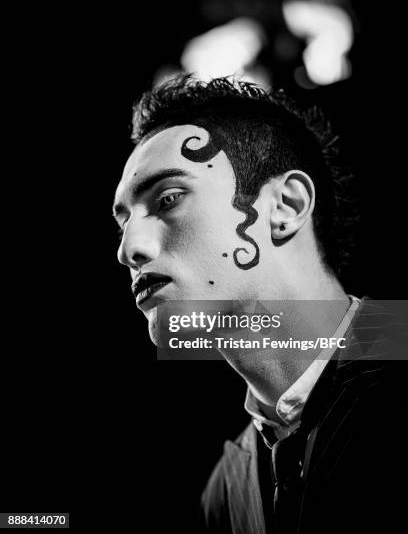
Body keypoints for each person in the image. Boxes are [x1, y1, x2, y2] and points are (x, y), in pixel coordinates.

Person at [113, 75, 406, 534]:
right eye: (123, 223)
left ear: (285, 206)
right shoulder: (225, 492)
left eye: (168, 199)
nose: (129, 249)